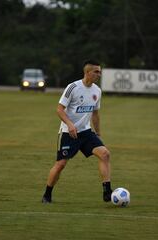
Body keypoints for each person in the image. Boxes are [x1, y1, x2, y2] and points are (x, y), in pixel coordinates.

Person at [41, 60, 112, 203]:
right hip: (68, 133)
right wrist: (70, 124)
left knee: (104, 154)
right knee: (60, 165)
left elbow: (95, 114)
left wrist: (98, 134)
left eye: (100, 71)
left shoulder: (97, 91)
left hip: (86, 132)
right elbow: (59, 109)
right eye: (96, 71)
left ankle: (107, 191)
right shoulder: (73, 87)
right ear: (87, 72)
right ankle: (47, 194)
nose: (99, 74)